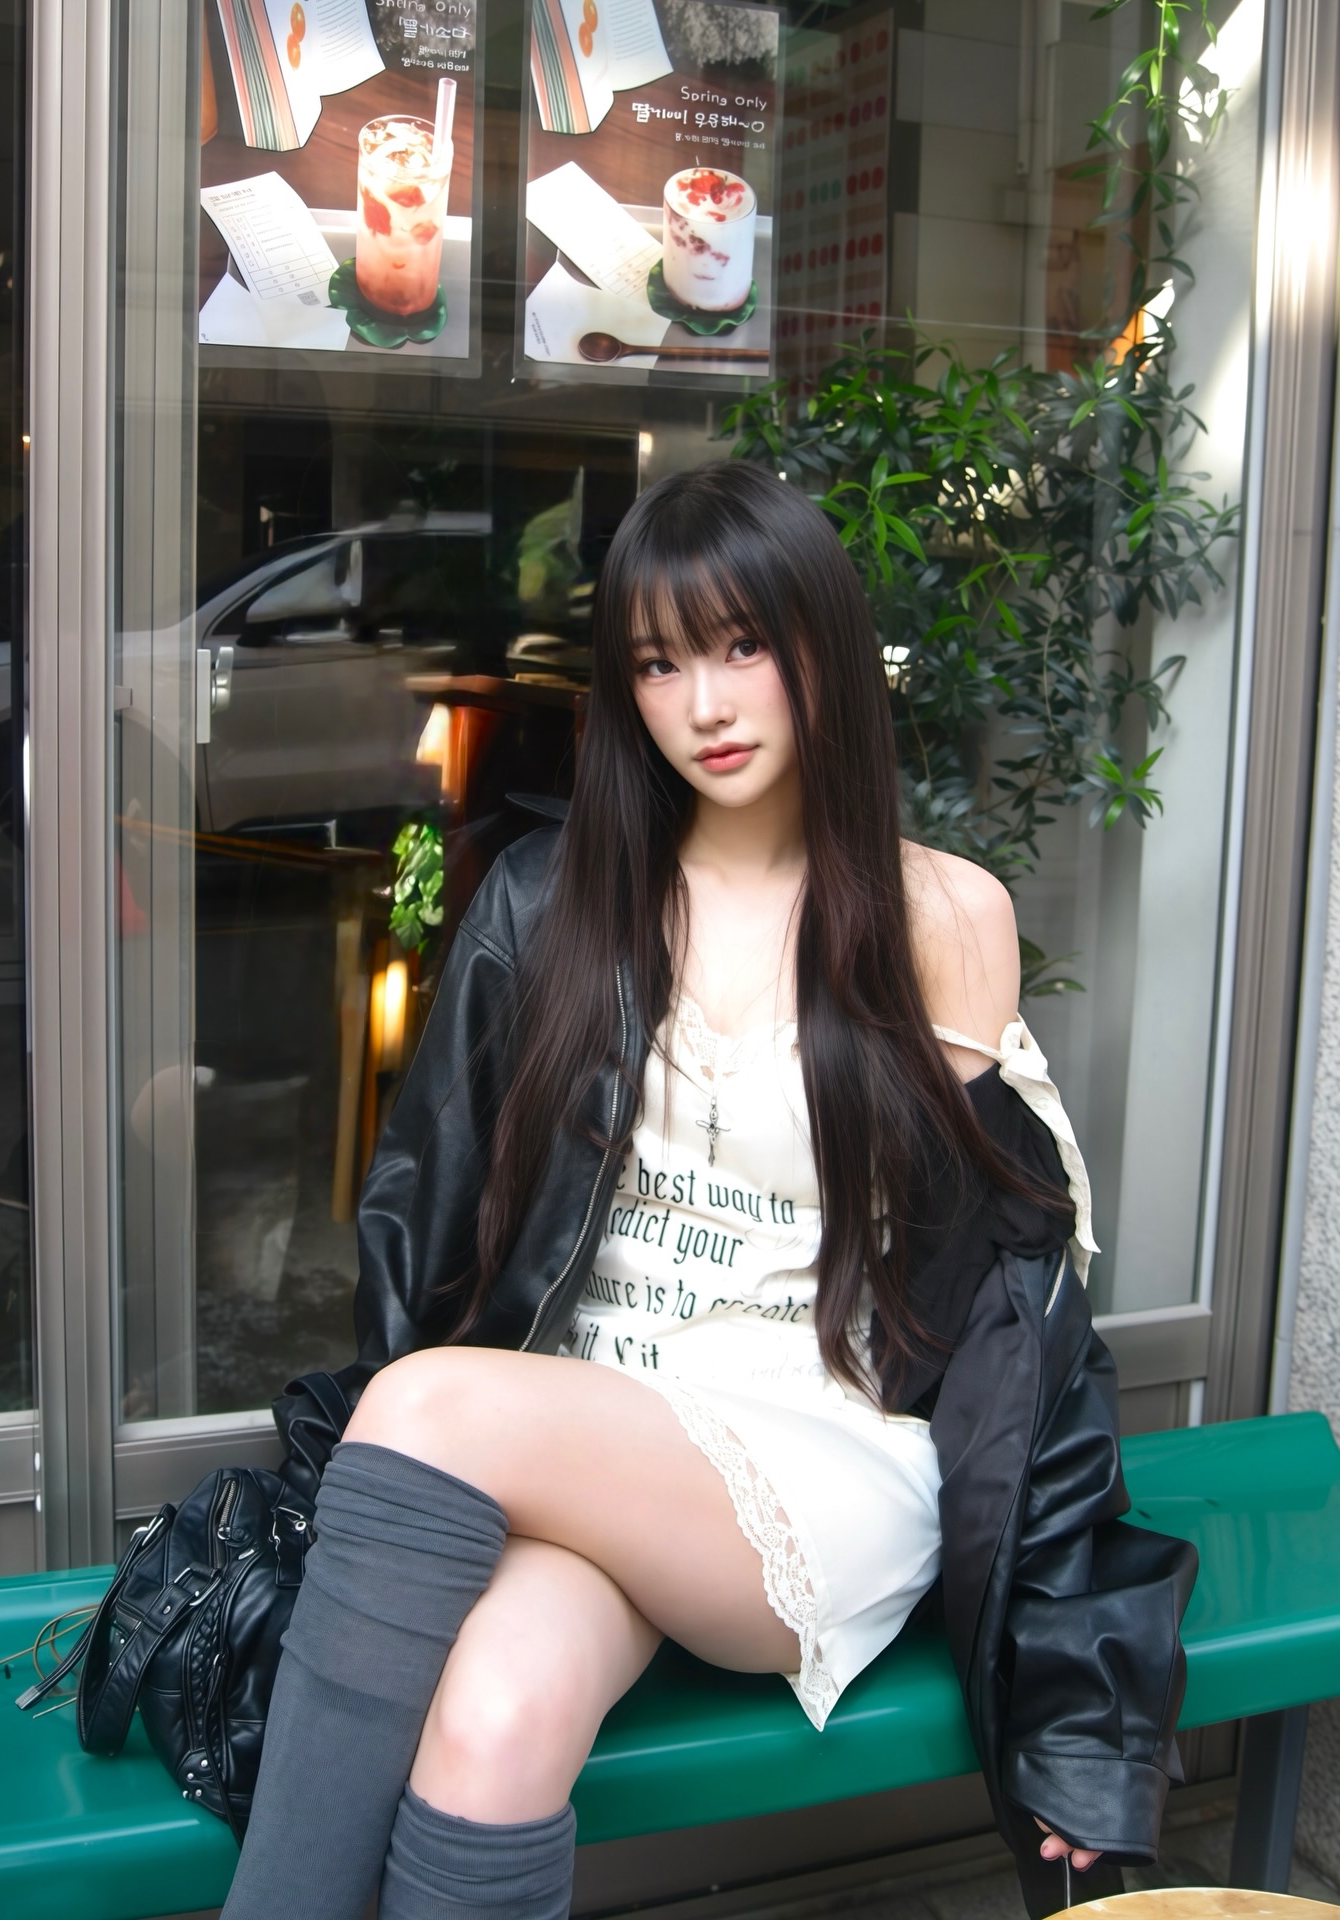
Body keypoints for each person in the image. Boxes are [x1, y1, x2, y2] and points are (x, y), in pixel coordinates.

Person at [222, 464, 1196, 1920]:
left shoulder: (941, 915)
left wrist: (1078, 1711)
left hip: (809, 1449)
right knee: (494, 1728)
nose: (707, 704)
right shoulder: (549, 901)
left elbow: (1015, 1320)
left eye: (744, 645)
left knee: (422, 1406)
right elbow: (427, 1229)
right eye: (660, 664)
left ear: (822, 645)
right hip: (579, 1435)